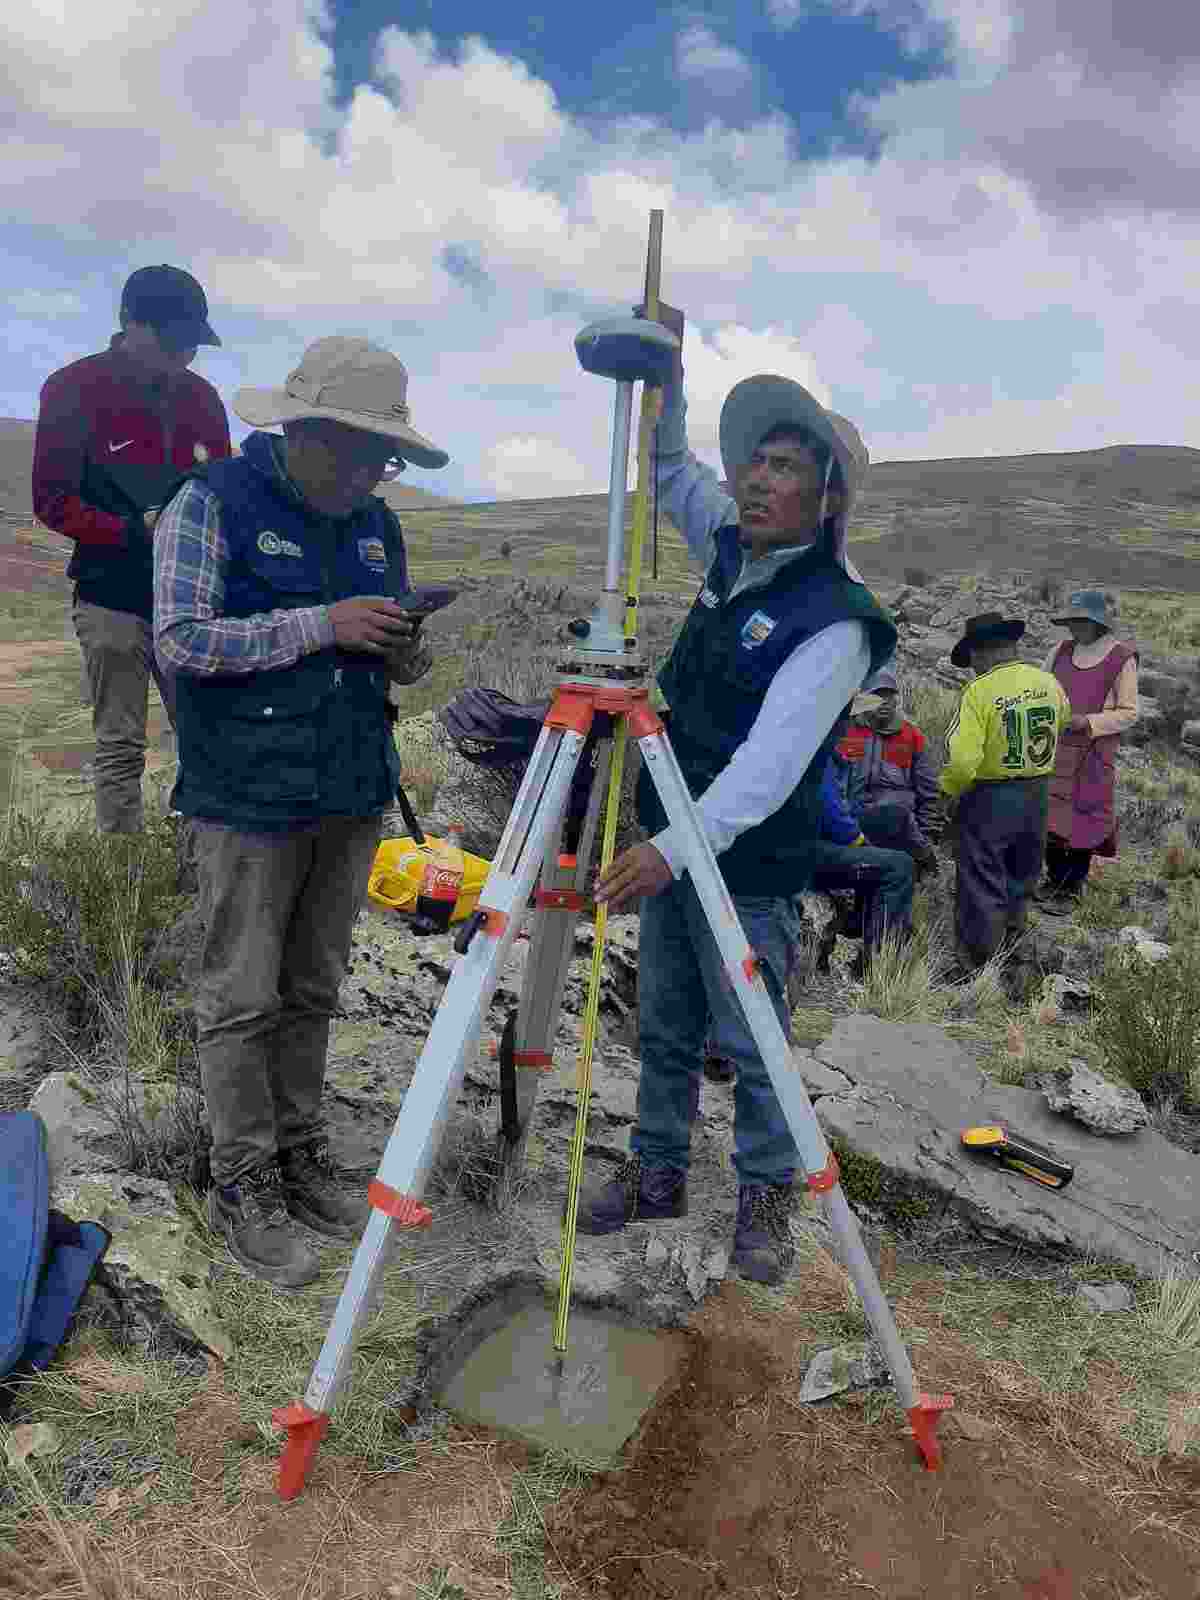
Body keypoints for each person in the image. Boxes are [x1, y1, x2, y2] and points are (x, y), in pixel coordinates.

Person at [577, 304, 896, 1285]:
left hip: (747, 863)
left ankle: (764, 1198)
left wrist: (670, 849)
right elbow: (671, 476)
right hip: (674, 832)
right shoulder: (731, 541)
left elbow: (766, 768)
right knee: (664, 1023)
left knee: (752, 1038)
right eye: (757, 459)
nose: (759, 477)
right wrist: (664, 390)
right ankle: (658, 1171)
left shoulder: (837, 620)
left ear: (827, 497)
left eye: (786, 466)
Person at [153, 337, 449, 1287]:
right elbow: (183, 642)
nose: (370, 473)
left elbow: (393, 656)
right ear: (301, 430)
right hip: (244, 798)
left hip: (349, 789)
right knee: (241, 999)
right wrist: (322, 624)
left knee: (314, 990)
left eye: (383, 458)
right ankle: (243, 1180)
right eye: (357, 452)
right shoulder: (211, 506)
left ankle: (299, 1151)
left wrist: (401, 651)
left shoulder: (376, 526)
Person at [32, 266, 230, 832]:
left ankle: (202, 862)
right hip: (109, 596)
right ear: (130, 325)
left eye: (192, 343)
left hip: (191, 603)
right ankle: (124, 882)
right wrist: (134, 531)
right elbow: (52, 500)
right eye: (173, 340)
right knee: (119, 746)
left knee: (205, 737)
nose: (184, 354)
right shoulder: (72, 388)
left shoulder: (202, 398)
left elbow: (224, 489)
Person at [939, 613, 1069, 976]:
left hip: (992, 796)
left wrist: (948, 790)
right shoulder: (1048, 683)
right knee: (1021, 876)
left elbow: (963, 760)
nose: (972, 669)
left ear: (981, 653)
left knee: (981, 879)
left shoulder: (980, 691)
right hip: (1038, 792)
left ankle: (976, 966)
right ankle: (1013, 953)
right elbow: (1062, 720)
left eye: (972, 660)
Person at [1036, 591, 1138, 912]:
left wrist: (1090, 721)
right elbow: (1041, 687)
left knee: (1084, 815)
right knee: (1052, 813)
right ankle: (1053, 878)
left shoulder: (1121, 659)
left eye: (1081, 621)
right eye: (1072, 621)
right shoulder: (1061, 650)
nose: (1074, 628)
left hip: (1094, 751)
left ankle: (1070, 887)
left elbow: (1129, 712)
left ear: (1098, 623)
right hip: (1056, 746)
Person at [809, 749, 915, 979]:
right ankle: (875, 969)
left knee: (894, 818)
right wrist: (861, 842)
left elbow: (845, 809)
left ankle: (863, 920)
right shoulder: (818, 753)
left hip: (816, 835)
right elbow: (836, 821)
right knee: (900, 867)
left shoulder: (831, 753)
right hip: (804, 849)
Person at [836, 666, 940, 880]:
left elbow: (929, 793)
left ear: (896, 700)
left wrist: (926, 838)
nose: (883, 702)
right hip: (857, 826)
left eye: (889, 695)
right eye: (876, 695)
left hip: (901, 831)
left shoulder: (913, 737)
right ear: (864, 699)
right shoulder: (846, 732)